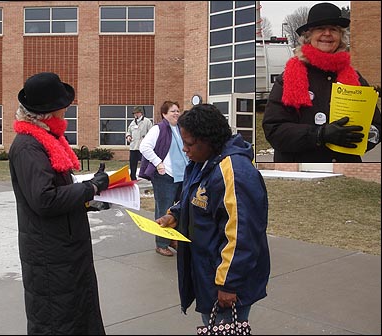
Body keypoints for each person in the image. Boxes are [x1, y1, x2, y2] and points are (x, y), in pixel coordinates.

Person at [8, 72, 109, 335]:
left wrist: (89, 195)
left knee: (78, 316)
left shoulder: (46, 139)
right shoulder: (28, 147)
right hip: (50, 257)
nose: (66, 111)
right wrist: (91, 188)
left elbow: (58, 190)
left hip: (64, 250)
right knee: (57, 322)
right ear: (48, 113)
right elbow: (45, 199)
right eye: (62, 107)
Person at [156, 103, 270, 327]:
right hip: (209, 272)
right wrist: (175, 214)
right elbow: (198, 196)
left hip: (227, 281)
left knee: (222, 328)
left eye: (189, 144)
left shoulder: (235, 172)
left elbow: (242, 234)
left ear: (208, 140)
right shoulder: (203, 161)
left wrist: (228, 283)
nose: (185, 150)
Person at [262, 2, 381, 162]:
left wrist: (362, 137)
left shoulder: (356, 78)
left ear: (341, 37)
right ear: (308, 36)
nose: (327, 34)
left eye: (333, 29)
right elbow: (274, 130)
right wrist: (319, 134)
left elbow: (377, 126)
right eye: (320, 29)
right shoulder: (288, 77)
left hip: (344, 167)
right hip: (300, 168)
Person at [139, 101, 188, 257]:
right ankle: (161, 244)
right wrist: (158, 163)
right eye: (172, 111)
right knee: (163, 209)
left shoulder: (180, 129)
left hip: (182, 176)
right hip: (165, 176)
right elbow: (144, 147)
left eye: (178, 110)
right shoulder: (158, 129)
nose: (176, 113)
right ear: (164, 114)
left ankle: (173, 239)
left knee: (180, 210)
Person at [125, 106, 153, 180]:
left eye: (137, 113)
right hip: (133, 146)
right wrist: (128, 136)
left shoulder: (147, 121)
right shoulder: (133, 122)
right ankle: (133, 177)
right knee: (132, 163)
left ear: (141, 113)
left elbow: (151, 133)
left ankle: (148, 175)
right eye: (134, 113)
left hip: (142, 146)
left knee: (145, 162)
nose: (135, 115)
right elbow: (128, 131)